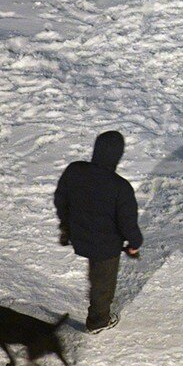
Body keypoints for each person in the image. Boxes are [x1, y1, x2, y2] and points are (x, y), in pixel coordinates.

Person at [54, 130, 143, 333]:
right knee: (103, 283)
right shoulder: (121, 187)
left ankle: (95, 292)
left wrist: (66, 225)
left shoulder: (75, 170)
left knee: (97, 274)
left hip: (78, 234)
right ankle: (98, 321)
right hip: (106, 247)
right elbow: (128, 223)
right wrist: (134, 243)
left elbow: (61, 199)